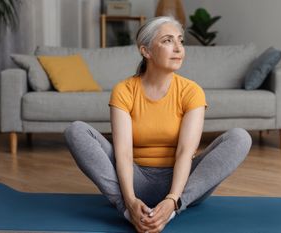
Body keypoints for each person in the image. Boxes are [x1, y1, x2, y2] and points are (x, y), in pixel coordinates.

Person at [64, 16, 252, 233]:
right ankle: (128, 210)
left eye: (180, 41)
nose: (178, 48)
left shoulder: (191, 91)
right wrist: (130, 200)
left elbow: (184, 153)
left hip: (184, 184)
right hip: (134, 179)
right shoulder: (124, 90)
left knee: (240, 137)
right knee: (76, 130)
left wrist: (173, 199)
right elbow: (123, 153)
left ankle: (172, 210)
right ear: (146, 51)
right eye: (167, 41)